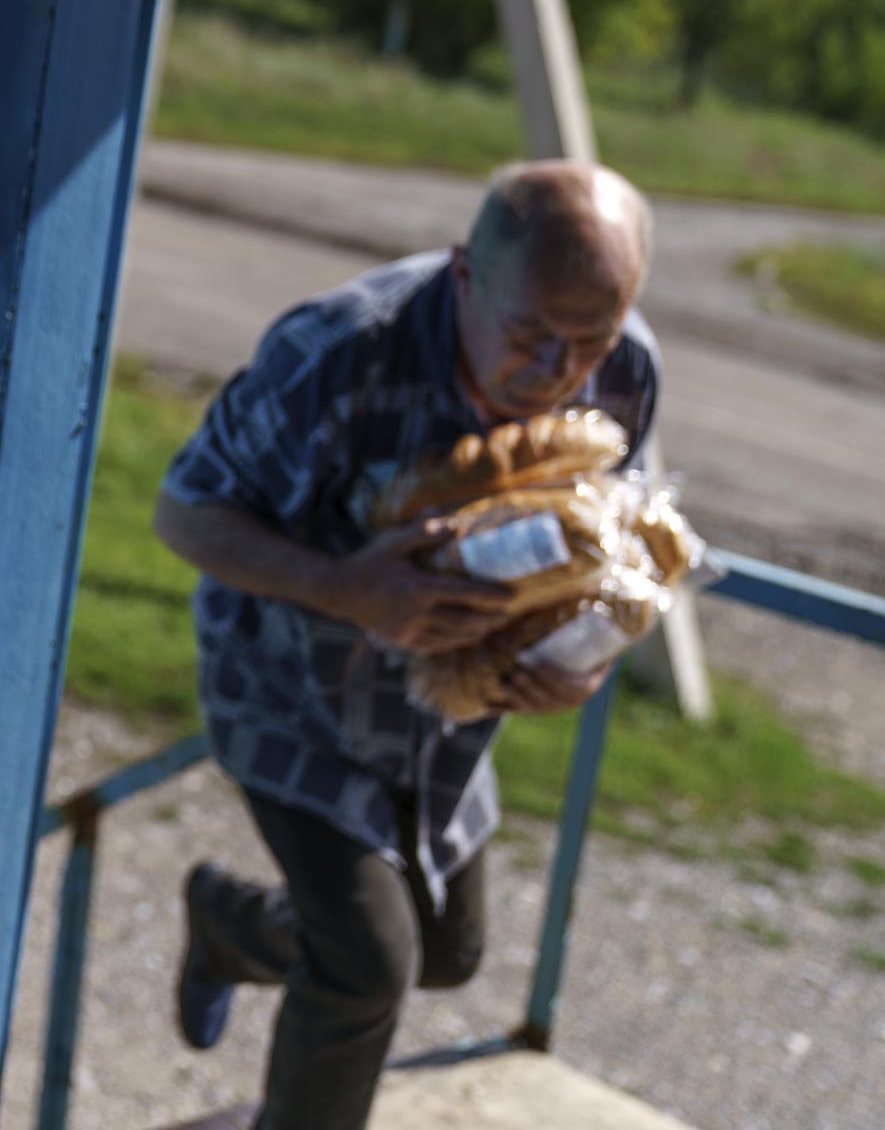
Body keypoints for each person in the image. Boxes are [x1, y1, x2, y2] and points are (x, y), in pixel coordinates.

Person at [155, 161, 660, 1129]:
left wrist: (574, 653)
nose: (560, 371)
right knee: (367, 961)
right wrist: (349, 586)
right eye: (531, 335)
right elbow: (184, 511)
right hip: (290, 685)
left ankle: (229, 924)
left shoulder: (626, 362)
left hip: (443, 712)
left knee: (447, 951)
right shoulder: (337, 351)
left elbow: (593, 532)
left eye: (588, 339)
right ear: (466, 275)